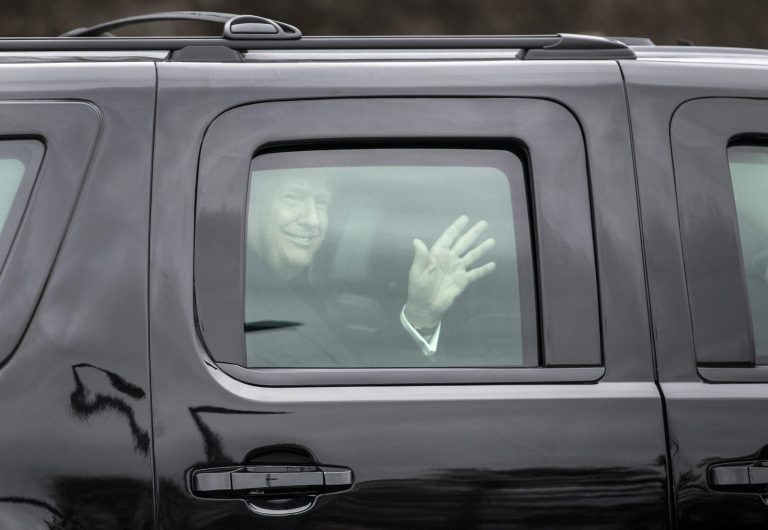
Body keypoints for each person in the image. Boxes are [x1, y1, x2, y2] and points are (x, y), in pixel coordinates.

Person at [244, 172, 496, 367]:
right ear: (249, 203)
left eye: (321, 202)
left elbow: (353, 370)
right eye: (292, 198)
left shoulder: (296, 292)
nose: (312, 219)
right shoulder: (236, 304)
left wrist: (420, 314)